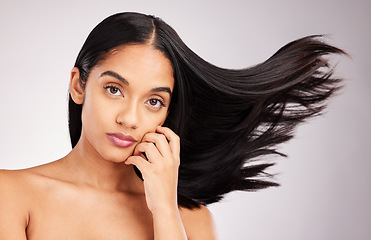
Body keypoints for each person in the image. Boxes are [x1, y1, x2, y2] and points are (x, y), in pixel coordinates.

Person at [0, 12, 345, 239]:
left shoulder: (190, 220)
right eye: (114, 89)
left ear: (167, 112)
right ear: (78, 85)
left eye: (154, 101)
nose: (130, 118)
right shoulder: (12, 194)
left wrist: (164, 208)